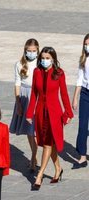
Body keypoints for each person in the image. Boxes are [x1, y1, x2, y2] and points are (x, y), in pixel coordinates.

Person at [26, 47, 73, 190]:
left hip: (54, 114)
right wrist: (29, 113)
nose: (44, 61)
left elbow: (64, 94)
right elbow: (34, 93)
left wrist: (68, 113)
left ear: (53, 59)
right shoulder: (37, 72)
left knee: (47, 144)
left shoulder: (59, 73)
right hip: (41, 113)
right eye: (43, 58)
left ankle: (39, 175)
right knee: (49, 143)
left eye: (47, 58)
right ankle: (58, 169)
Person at [9, 38, 39, 171]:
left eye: (34, 51)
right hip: (24, 95)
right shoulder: (19, 64)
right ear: (25, 51)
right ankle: (34, 156)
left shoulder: (40, 63)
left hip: (37, 95)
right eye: (29, 51)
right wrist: (18, 102)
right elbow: (17, 83)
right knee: (29, 130)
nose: (31, 53)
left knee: (35, 129)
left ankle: (34, 157)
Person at [72, 33, 89, 169]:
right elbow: (80, 79)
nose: (87, 46)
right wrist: (75, 98)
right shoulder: (84, 59)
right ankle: (82, 156)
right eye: (86, 44)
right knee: (82, 125)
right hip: (85, 93)